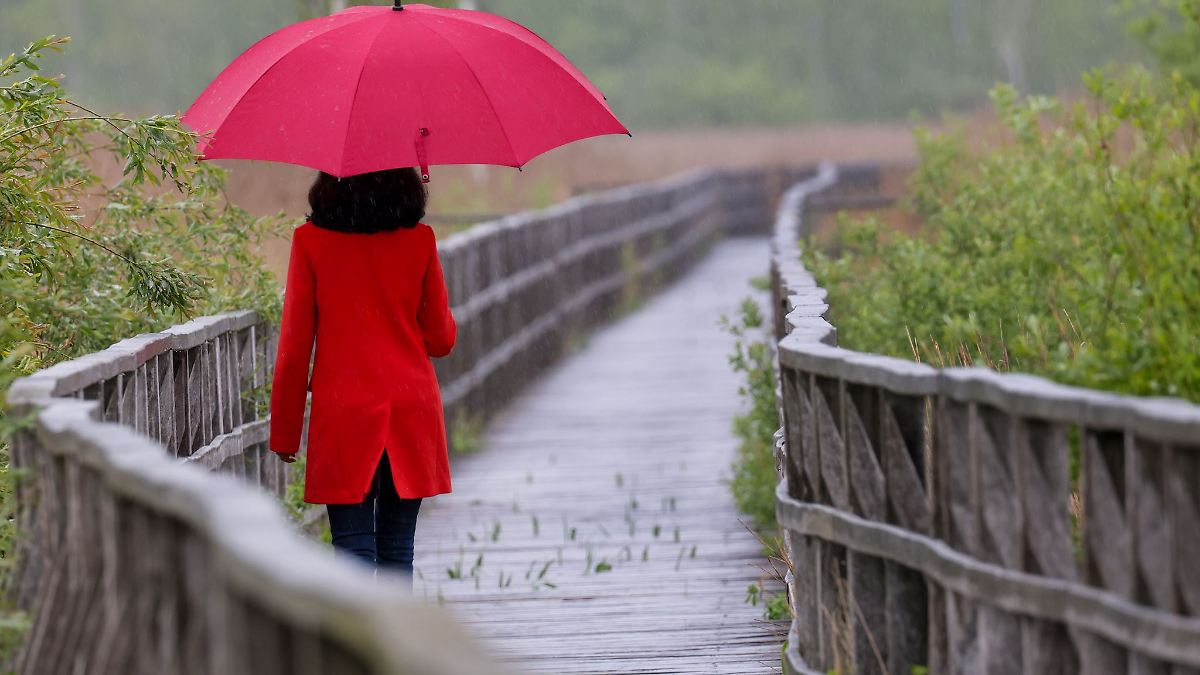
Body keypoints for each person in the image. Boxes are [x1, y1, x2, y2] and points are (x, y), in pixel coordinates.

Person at [268, 167, 457, 586]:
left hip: (344, 415)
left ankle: (357, 648)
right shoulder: (419, 241)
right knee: (397, 553)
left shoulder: (311, 243)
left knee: (351, 554)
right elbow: (441, 339)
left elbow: (295, 348)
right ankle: (398, 650)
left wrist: (285, 432)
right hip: (410, 410)